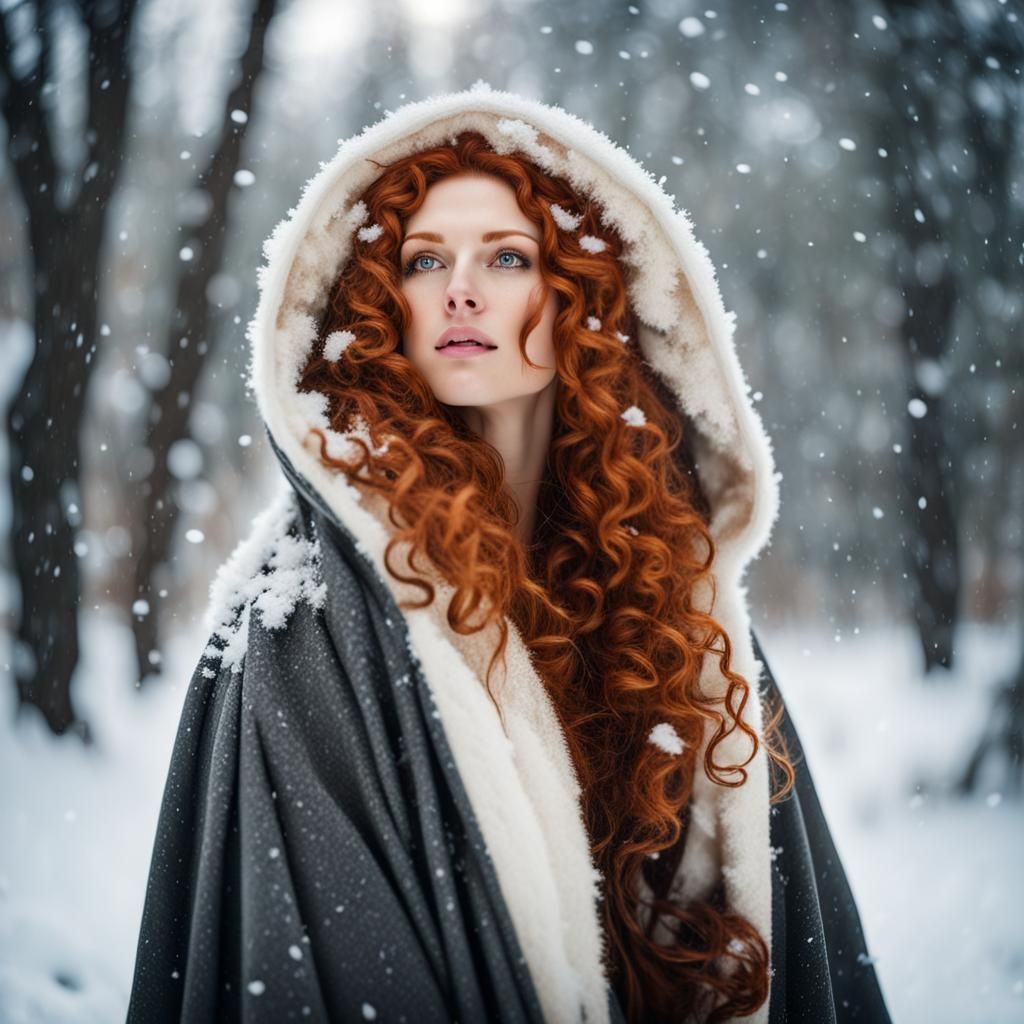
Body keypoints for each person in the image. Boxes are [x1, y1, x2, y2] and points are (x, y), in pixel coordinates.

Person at [127, 84, 891, 1024]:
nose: (460, 287)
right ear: (382, 303)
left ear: (577, 295)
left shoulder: (671, 599)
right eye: (423, 260)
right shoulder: (307, 619)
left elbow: (794, 942)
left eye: (507, 256)